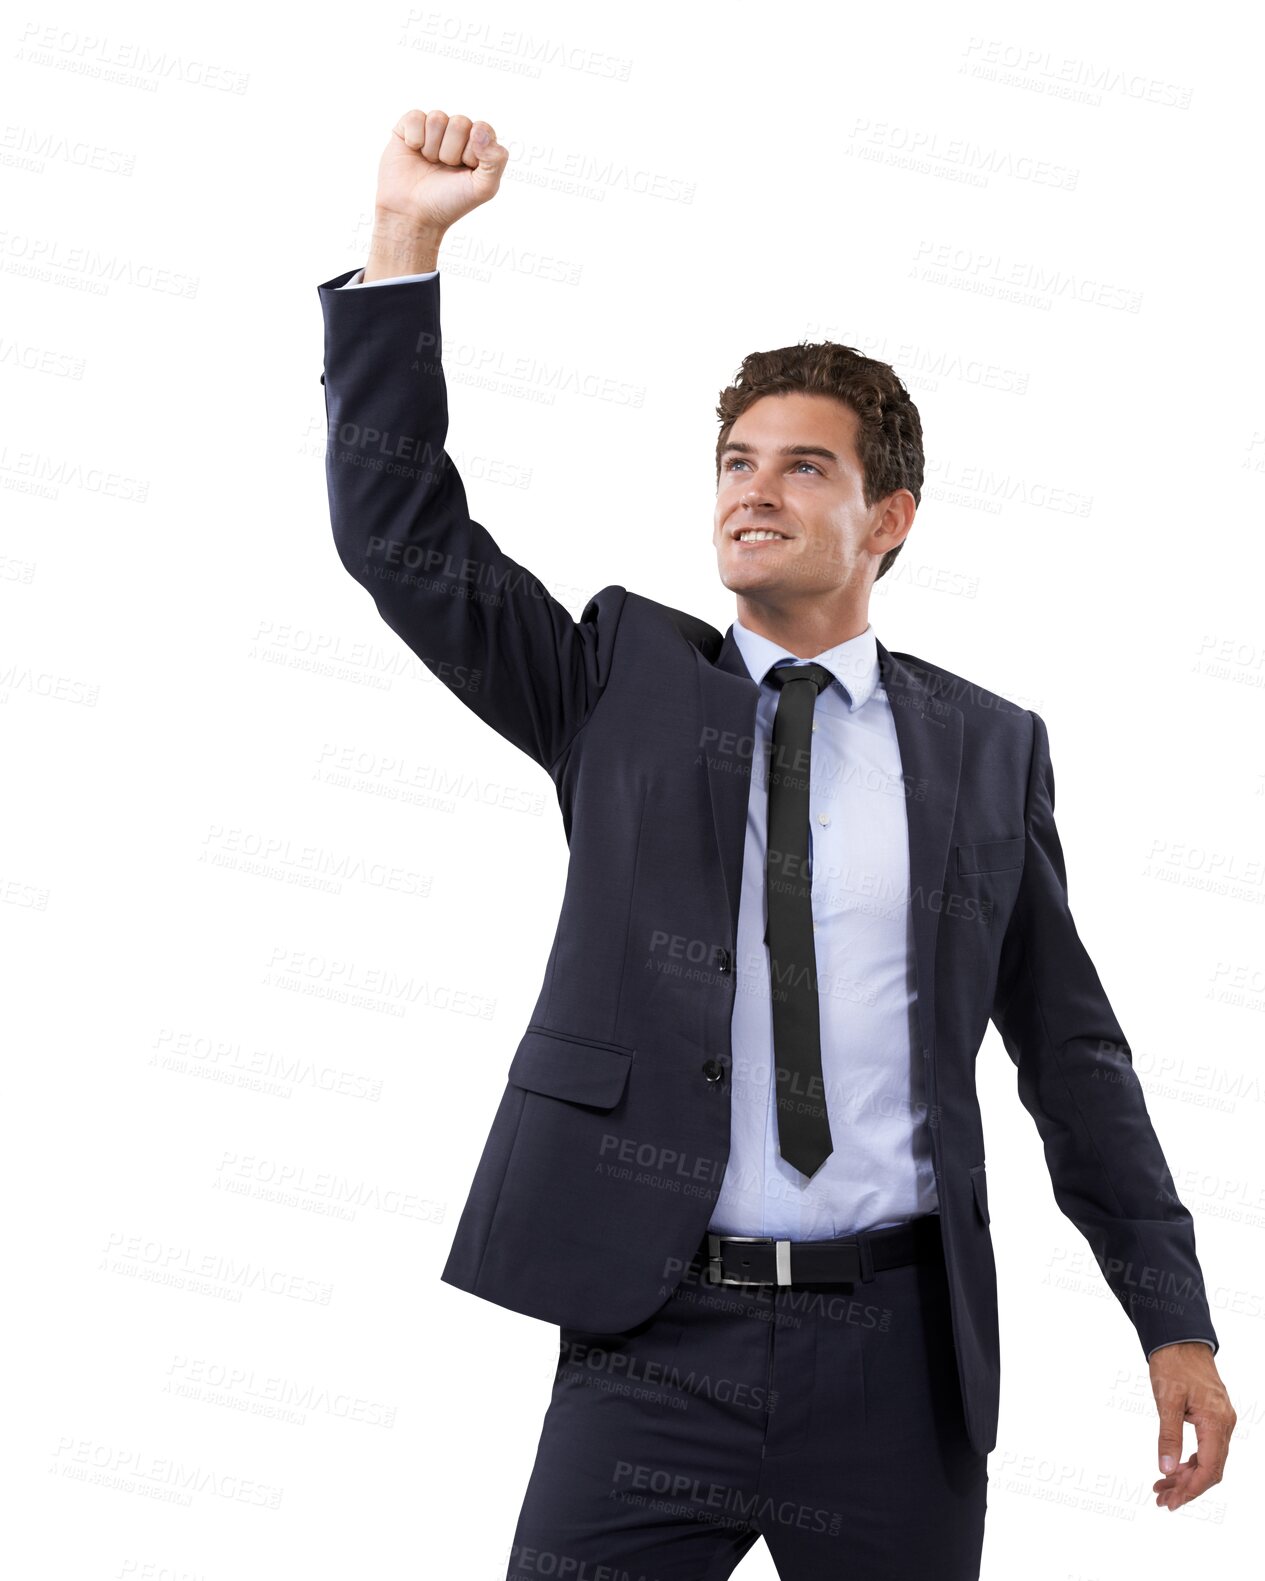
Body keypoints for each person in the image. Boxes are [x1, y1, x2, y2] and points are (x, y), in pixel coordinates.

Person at [316, 108, 1236, 1580]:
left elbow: (1071, 1054)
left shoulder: (986, 750)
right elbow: (398, 540)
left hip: (893, 1358)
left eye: (803, 467)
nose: (753, 487)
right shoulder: (616, 682)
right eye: (737, 459)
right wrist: (404, 248)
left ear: (890, 518)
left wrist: (1169, 1317)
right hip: (648, 1338)